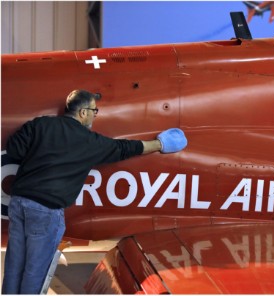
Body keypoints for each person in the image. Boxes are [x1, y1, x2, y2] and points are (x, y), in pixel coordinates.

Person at [2, 89, 187, 294]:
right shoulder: (90, 142)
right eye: (94, 110)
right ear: (82, 113)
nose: (95, 115)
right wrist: (160, 144)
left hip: (19, 204)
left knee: (14, 266)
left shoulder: (41, 124)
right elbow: (125, 148)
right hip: (46, 212)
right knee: (35, 272)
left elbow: (14, 149)